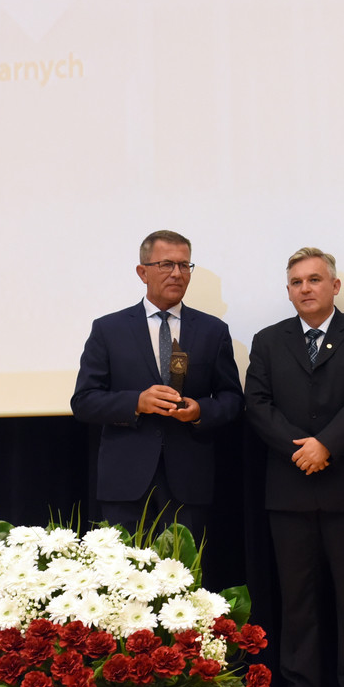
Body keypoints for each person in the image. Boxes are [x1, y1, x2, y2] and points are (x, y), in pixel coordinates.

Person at [244, 247, 344, 687]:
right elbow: (257, 404)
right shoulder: (268, 340)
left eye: (314, 279)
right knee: (297, 598)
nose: (305, 288)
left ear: (335, 286)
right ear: (288, 291)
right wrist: (300, 449)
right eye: (296, 282)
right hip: (290, 489)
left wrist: (326, 444)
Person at [71, 230, 242, 537]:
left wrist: (200, 411)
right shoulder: (109, 329)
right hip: (125, 482)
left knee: (184, 565)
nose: (177, 273)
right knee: (124, 567)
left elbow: (232, 398)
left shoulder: (212, 330)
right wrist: (137, 402)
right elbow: (84, 401)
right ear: (143, 272)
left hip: (188, 481)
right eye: (166, 264)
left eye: (184, 265)